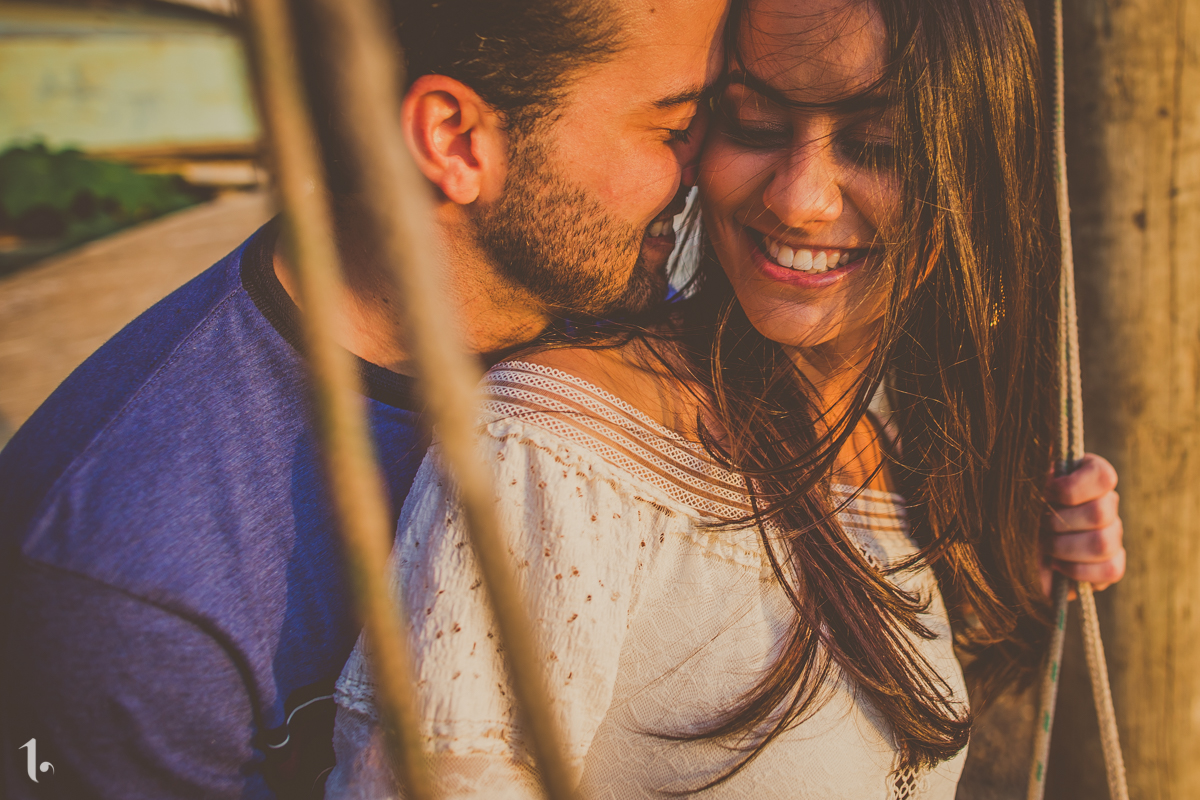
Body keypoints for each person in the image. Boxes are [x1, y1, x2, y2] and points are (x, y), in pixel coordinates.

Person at [327, 0, 1126, 797]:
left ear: (976, 174)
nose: (798, 198)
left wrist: (1020, 566)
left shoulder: (898, 451)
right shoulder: (561, 442)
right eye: (753, 124)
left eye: (877, 145)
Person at [0, 1, 727, 798]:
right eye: (674, 128)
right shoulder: (132, 583)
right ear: (455, 140)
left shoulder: (622, 334)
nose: (709, 167)